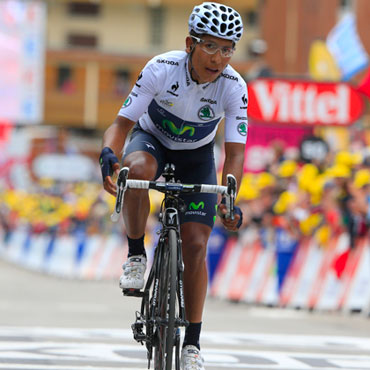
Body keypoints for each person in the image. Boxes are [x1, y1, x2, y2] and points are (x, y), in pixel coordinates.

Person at [99, 2, 246, 369]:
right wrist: (108, 155)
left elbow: (235, 154)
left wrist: (230, 199)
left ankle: (192, 344)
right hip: (151, 141)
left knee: (196, 245)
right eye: (210, 46)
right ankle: (136, 254)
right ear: (190, 43)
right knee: (137, 170)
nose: (218, 57)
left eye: (227, 49)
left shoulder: (234, 86)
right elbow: (120, 125)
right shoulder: (161, 68)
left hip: (197, 157)